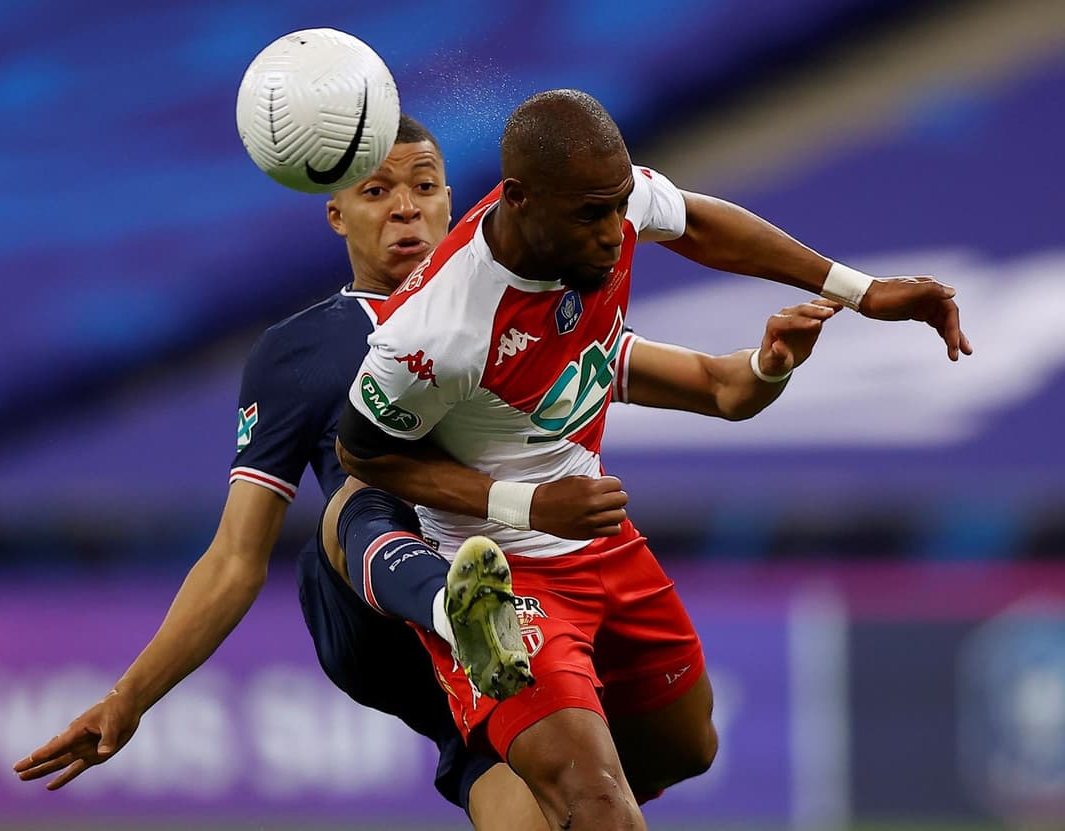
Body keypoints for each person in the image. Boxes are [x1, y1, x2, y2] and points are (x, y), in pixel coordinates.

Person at [10, 112, 842, 828]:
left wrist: (768, 362)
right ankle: (457, 608)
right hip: (379, 602)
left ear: (457, 200)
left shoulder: (523, 311)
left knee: (611, 791)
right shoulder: (302, 352)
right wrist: (131, 699)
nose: (406, 208)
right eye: (378, 192)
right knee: (360, 493)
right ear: (335, 212)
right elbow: (235, 558)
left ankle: (487, 637)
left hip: (524, 603)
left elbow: (715, 384)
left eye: (426, 186)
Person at [336, 89, 972, 831]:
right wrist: (527, 507)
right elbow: (362, 451)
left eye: (619, 207)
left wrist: (857, 292)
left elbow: (696, 226)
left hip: (600, 542)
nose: (615, 234)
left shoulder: (597, 207)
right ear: (519, 201)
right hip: (506, 576)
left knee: (686, 744)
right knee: (601, 803)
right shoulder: (436, 333)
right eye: (592, 216)